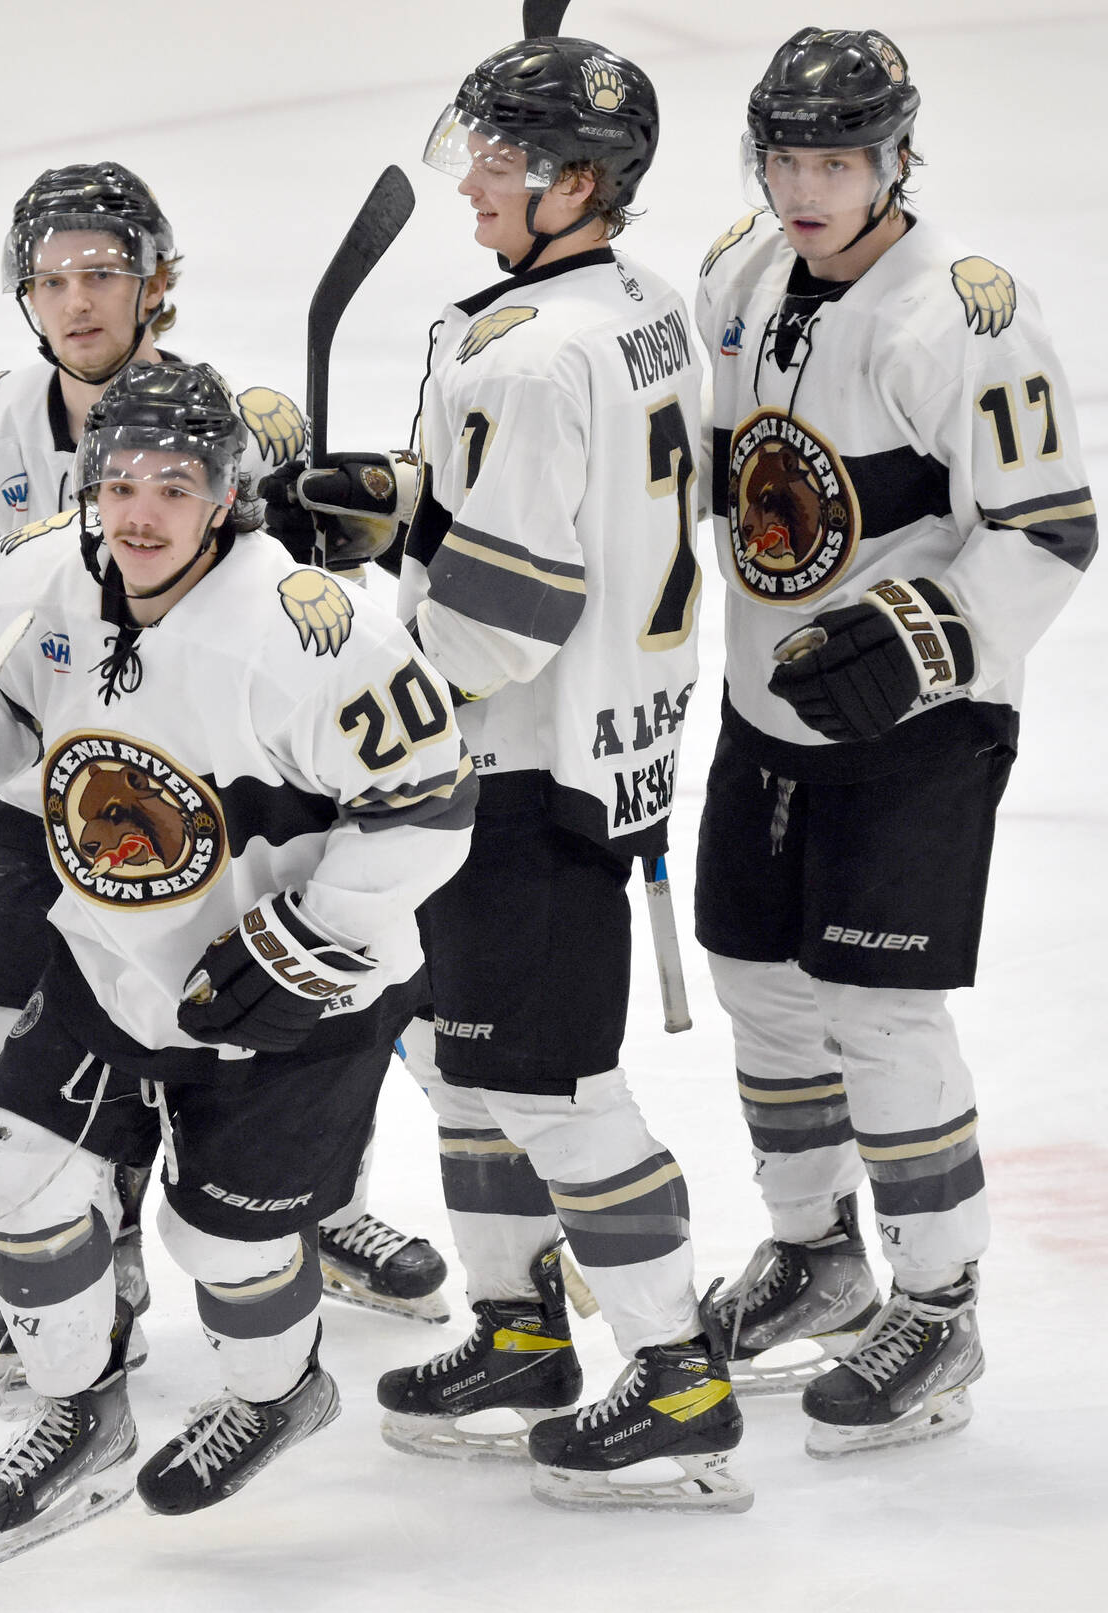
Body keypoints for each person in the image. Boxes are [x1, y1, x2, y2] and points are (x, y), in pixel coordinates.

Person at [0, 361, 476, 1565]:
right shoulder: (37, 572)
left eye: (174, 484)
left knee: (228, 1248)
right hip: (112, 960)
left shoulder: (314, 626)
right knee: (16, 1174)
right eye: (120, 481)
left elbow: (430, 804)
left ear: (227, 497)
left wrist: (310, 937)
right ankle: (80, 1411)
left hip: (296, 989)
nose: (139, 510)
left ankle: (274, 1392)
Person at [303, 32, 749, 1513]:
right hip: (607, 746)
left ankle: (680, 1372)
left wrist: (358, 678)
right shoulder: (639, 308)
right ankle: (517, 1331)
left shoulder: (528, 349)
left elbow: (500, 621)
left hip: (512, 767)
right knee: (464, 1058)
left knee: (551, 1083)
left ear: (576, 183)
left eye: (500, 156)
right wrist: (406, 507)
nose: (472, 179)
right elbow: (557, 518)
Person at [0, 163, 449, 1409]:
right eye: (51, 278)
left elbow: (307, 618)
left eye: (102, 272)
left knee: (296, 993)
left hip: (231, 783)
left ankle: (314, 1208)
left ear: (153, 280)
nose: (76, 300)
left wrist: (355, 522)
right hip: (74, 763)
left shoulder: (241, 419)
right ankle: (94, 1241)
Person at [692, 29, 1093, 1455]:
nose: (809, 187)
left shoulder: (966, 315)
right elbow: (702, 465)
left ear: (896, 160)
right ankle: (817, 1252)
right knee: (757, 981)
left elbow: (1050, 526)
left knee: (879, 1015)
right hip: (765, 706)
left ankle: (938, 1301)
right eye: (788, 158)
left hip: (920, 724)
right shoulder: (741, 269)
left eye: (839, 161)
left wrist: (928, 635)